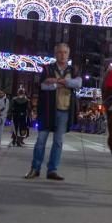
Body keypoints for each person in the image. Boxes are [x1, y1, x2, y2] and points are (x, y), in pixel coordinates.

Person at [25, 43, 81, 180]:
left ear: (68, 54)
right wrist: (64, 82)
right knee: (40, 141)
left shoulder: (73, 69)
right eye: (60, 52)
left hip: (64, 110)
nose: (62, 55)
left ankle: (52, 170)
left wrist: (55, 81)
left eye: (65, 52)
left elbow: (78, 84)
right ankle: (35, 169)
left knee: (58, 142)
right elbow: (44, 86)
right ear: (55, 54)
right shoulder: (47, 68)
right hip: (47, 110)